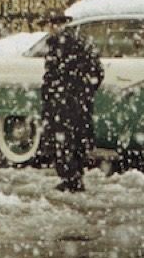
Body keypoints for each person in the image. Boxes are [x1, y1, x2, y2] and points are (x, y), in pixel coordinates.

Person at [40, 10, 104, 193]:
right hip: (76, 102)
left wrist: (62, 93)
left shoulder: (59, 45)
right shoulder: (79, 42)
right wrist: (85, 92)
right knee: (76, 140)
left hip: (63, 103)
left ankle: (71, 179)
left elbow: (53, 76)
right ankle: (75, 177)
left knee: (63, 142)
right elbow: (97, 71)